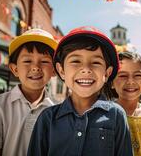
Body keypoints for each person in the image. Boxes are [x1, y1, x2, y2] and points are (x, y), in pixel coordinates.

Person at [27, 26, 132, 156]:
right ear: (61, 71)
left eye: (95, 62)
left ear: (107, 72)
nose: (86, 69)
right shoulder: (47, 118)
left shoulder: (116, 115)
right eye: (76, 61)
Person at [0, 28, 58, 156]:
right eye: (27, 61)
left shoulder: (58, 110)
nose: (35, 67)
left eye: (45, 61)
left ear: (54, 70)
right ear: (15, 69)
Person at [112, 51, 141, 156]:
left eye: (137, 75)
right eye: (123, 75)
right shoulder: (105, 114)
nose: (130, 81)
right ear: (111, 82)